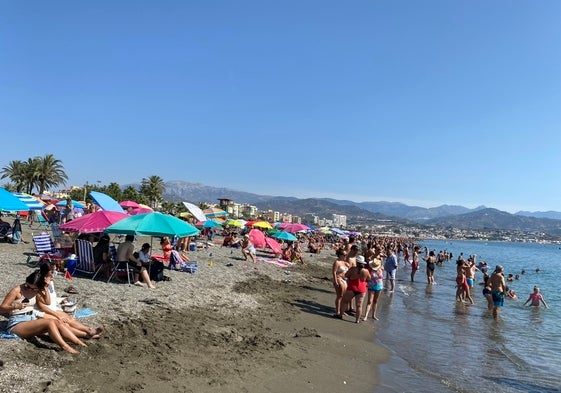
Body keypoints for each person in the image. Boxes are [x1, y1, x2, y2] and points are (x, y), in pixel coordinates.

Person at [0, 270, 81, 354]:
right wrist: (16, 306)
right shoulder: (17, 290)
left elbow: (47, 302)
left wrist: (45, 289)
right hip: (17, 323)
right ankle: (65, 347)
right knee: (49, 322)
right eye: (27, 286)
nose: (29, 289)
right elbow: (1, 308)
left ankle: (79, 343)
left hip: (31, 319)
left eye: (33, 288)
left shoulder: (35, 290)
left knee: (58, 322)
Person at [36, 263, 104, 340]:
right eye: (53, 271)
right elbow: (42, 305)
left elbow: (51, 298)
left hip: (52, 307)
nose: (55, 272)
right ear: (47, 272)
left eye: (55, 270)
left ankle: (89, 330)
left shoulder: (50, 282)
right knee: (64, 323)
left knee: (70, 319)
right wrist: (57, 315)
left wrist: (60, 300)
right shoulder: (40, 284)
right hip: (44, 310)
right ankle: (86, 334)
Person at [339, 255, 370, 323]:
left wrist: (352, 277)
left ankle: (340, 315)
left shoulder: (352, 269)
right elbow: (369, 278)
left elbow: (346, 275)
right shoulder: (366, 271)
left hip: (352, 287)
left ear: (357, 262)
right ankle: (357, 320)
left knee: (344, 301)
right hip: (362, 289)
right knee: (359, 305)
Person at [362, 254, 384, 321]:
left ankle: (373, 315)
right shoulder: (370, 269)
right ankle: (366, 316)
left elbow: (382, 277)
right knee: (369, 301)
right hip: (371, 285)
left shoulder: (381, 268)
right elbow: (367, 277)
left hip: (379, 285)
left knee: (375, 301)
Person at [331, 248, 349, 319]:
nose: (345, 256)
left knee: (344, 296)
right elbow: (334, 272)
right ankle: (337, 311)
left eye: (346, 255)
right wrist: (335, 281)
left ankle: (342, 310)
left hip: (344, 280)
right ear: (340, 255)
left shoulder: (344, 262)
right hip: (338, 279)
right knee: (340, 295)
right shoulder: (337, 262)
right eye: (344, 255)